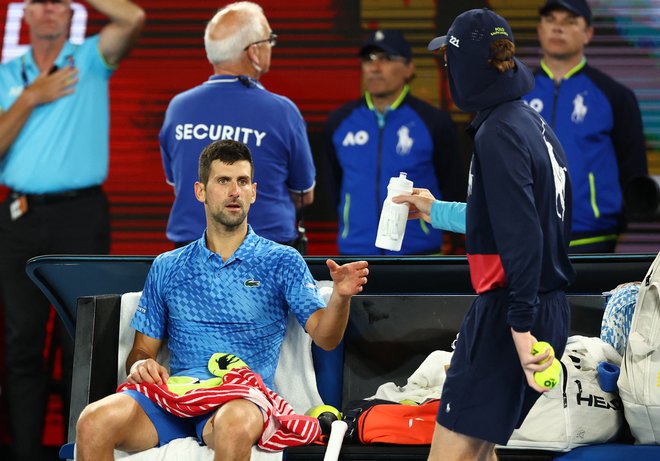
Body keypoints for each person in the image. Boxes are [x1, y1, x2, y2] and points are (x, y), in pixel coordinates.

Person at [74, 139, 369, 461]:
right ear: (200, 191)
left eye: (242, 181)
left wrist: (340, 297)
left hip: (240, 400)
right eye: (223, 181)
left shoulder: (283, 260)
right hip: (175, 400)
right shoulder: (167, 265)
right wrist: (142, 364)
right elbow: (143, 351)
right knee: (93, 421)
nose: (234, 191)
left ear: (254, 192)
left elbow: (326, 337)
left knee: (234, 425)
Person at [394, 9, 576, 460]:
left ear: (464, 68)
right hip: (545, 307)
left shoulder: (497, 134)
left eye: (447, 61)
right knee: (480, 452)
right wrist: (436, 211)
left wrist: (517, 328)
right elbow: (507, 217)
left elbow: (523, 238)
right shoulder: (531, 123)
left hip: (510, 313)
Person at [0, 1, 145, 459]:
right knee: (21, 342)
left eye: (58, 2)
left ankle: (77, 451)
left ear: (71, 14)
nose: (47, 10)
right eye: (38, 2)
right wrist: (29, 98)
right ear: (24, 14)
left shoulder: (87, 60)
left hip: (80, 215)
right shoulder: (9, 74)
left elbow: (132, 18)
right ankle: (24, 453)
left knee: (79, 341)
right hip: (19, 217)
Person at [160, 1, 316, 251]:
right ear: (254, 52)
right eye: (269, 40)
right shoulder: (281, 111)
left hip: (189, 253)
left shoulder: (178, 107)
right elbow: (303, 194)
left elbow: (180, 185)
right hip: (266, 254)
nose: (271, 47)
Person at [322, 29, 464, 255]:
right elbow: (333, 187)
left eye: (386, 59)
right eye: (369, 60)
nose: (375, 68)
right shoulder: (340, 121)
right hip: (355, 253)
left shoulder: (434, 122)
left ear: (409, 68)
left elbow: (453, 186)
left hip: (420, 252)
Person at [523, 0, 648, 253]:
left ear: (588, 34)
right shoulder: (516, 95)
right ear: (539, 29)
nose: (558, 28)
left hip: (592, 236)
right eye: (550, 20)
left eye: (570, 22)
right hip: (525, 235)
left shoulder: (615, 95)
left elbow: (633, 169)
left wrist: (615, 222)